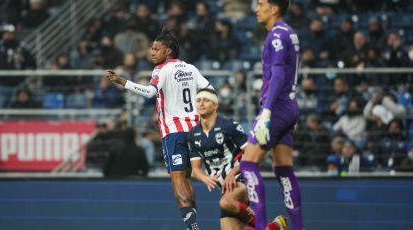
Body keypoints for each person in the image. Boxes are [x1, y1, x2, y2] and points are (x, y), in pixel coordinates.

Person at [105, 28, 213, 230]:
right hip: (196, 131)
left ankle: (193, 227)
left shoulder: (161, 70)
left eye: (156, 49)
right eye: (151, 49)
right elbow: (211, 91)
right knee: (187, 179)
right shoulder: (191, 68)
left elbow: (149, 92)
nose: (151, 52)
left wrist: (123, 82)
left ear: (168, 51)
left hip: (174, 133)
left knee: (177, 181)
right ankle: (194, 224)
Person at [239, 1, 305, 230]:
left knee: (248, 164)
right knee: (284, 169)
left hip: (275, 108)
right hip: (289, 107)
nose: (256, 8)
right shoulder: (289, 32)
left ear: (274, 7)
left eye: (261, 4)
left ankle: (259, 227)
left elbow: (276, 75)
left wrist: (266, 113)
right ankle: (297, 227)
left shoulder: (276, 35)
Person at [187, 88, 288, 230]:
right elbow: (196, 169)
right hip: (225, 187)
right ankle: (276, 226)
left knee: (225, 203)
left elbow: (251, 155)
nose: (201, 103)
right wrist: (205, 178)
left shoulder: (229, 126)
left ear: (215, 105)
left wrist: (232, 173)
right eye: (198, 100)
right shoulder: (192, 135)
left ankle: (268, 226)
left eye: (206, 100)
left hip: (242, 177)